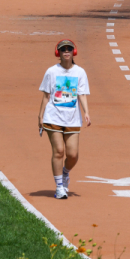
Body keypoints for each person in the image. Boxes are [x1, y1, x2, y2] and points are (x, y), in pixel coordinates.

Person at [38, 39, 91, 199]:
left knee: (73, 154)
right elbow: (46, 96)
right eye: (63, 49)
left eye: (69, 49)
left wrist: (86, 112)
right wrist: (40, 116)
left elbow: (81, 94)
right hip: (53, 116)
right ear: (58, 53)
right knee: (59, 151)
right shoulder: (51, 72)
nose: (66, 51)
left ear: (73, 52)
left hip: (72, 118)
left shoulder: (80, 72)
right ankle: (59, 187)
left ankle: (65, 173)